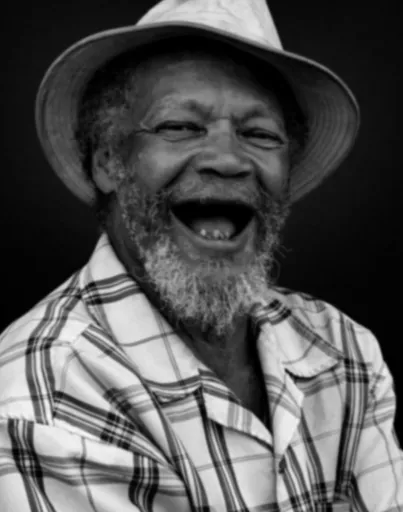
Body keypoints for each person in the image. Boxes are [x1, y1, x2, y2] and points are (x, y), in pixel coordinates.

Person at [0, 0, 401, 509]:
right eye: (180, 127)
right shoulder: (45, 395)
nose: (228, 160)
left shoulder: (344, 350)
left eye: (259, 135)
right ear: (108, 162)